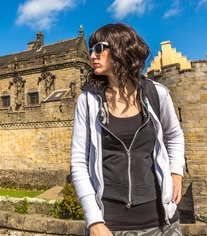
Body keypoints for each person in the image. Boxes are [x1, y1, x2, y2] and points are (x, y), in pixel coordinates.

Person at [71, 23, 185, 236]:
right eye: (90, 49)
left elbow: (174, 134)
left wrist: (176, 172)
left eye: (98, 48)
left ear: (121, 49)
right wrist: (94, 221)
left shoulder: (156, 93)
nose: (91, 55)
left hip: (162, 220)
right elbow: (78, 162)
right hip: (109, 223)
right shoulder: (88, 100)